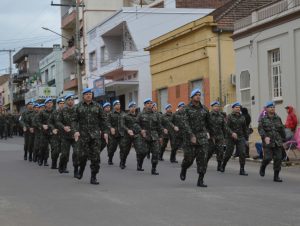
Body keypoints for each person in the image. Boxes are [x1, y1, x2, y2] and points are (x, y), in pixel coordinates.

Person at [74, 88, 109, 185]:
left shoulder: (97, 106)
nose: (89, 95)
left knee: (95, 157)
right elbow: (74, 120)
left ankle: (93, 177)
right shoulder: (78, 107)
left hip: (95, 136)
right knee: (82, 156)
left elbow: (103, 120)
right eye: (86, 94)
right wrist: (75, 130)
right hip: (83, 136)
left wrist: (105, 132)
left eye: (90, 94)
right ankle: (81, 171)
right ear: (83, 96)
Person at [180, 88, 210, 187]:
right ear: (192, 97)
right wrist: (191, 135)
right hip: (189, 138)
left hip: (202, 137)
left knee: (203, 159)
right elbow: (185, 124)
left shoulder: (205, 109)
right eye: (196, 94)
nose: (198, 96)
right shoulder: (186, 109)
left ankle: (200, 180)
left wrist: (211, 134)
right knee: (189, 159)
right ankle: (184, 168)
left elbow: (209, 123)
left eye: (199, 94)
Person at [258, 101, 286, 182]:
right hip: (268, 141)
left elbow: (281, 129)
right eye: (270, 107)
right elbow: (260, 129)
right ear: (266, 109)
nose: (272, 109)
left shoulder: (278, 118)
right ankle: (263, 166)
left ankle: (276, 176)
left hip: (278, 141)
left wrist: (284, 139)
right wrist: (264, 137)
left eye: (273, 107)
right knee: (268, 158)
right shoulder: (263, 119)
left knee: (278, 158)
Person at [135, 98, 162, 175]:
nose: (150, 105)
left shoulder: (156, 114)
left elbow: (159, 126)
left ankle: (153, 169)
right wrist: (140, 130)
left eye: (151, 103)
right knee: (143, 152)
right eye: (148, 103)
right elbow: (135, 124)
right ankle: (139, 164)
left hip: (154, 136)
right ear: (145, 105)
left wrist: (160, 136)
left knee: (156, 153)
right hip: (144, 136)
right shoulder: (140, 114)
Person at [221, 102, 248, 176]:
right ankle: (223, 165)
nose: (238, 108)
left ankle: (242, 169)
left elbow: (245, 128)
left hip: (240, 137)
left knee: (242, 152)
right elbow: (226, 127)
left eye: (239, 107)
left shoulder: (242, 117)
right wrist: (232, 133)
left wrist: (246, 138)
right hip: (230, 137)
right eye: (236, 107)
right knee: (228, 153)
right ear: (233, 108)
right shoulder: (229, 116)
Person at [56, 94, 79, 176]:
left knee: (76, 153)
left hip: (75, 136)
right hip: (65, 136)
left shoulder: (78, 110)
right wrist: (63, 127)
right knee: (65, 154)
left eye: (72, 100)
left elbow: (81, 121)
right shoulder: (63, 110)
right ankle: (62, 165)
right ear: (66, 101)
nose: (70, 101)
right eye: (68, 100)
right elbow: (58, 122)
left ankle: (76, 170)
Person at [119, 101, 141, 169]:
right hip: (127, 136)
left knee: (139, 150)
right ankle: (122, 162)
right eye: (132, 107)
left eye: (134, 107)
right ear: (129, 108)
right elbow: (122, 124)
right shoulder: (125, 116)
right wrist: (128, 130)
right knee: (126, 151)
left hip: (136, 135)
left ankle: (139, 165)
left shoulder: (138, 116)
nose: (133, 108)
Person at [207, 101, 227, 171]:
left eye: (218, 106)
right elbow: (205, 125)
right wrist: (207, 133)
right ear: (212, 107)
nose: (217, 108)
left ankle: (219, 165)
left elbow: (224, 127)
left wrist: (225, 137)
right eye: (215, 106)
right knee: (209, 152)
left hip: (219, 136)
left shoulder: (221, 116)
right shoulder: (208, 115)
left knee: (220, 151)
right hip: (211, 137)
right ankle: (204, 163)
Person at [36, 98, 54, 166]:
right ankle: (41, 159)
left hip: (52, 133)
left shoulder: (55, 112)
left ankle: (46, 160)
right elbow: (37, 121)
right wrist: (42, 125)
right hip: (44, 133)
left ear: (52, 104)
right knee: (44, 147)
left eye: (51, 103)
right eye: (48, 103)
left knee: (53, 148)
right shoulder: (42, 112)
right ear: (46, 104)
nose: (49, 104)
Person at [48, 98, 65, 169]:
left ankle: (63, 166)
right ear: (58, 104)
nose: (62, 105)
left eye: (63, 103)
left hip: (65, 135)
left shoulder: (67, 112)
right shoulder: (54, 113)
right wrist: (53, 128)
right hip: (56, 134)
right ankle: (54, 163)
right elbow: (50, 122)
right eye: (60, 103)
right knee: (56, 150)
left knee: (65, 151)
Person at [107, 100, 124, 165]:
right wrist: (111, 128)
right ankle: (110, 159)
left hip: (122, 133)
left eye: (119, 104)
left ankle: (122, 162)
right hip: (113, 134)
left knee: (123, 148)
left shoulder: (123, 113)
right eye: (117, 104)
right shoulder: (110, 114)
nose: (118, 105)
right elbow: (107, 122)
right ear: (114, 106)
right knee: (112, 148)